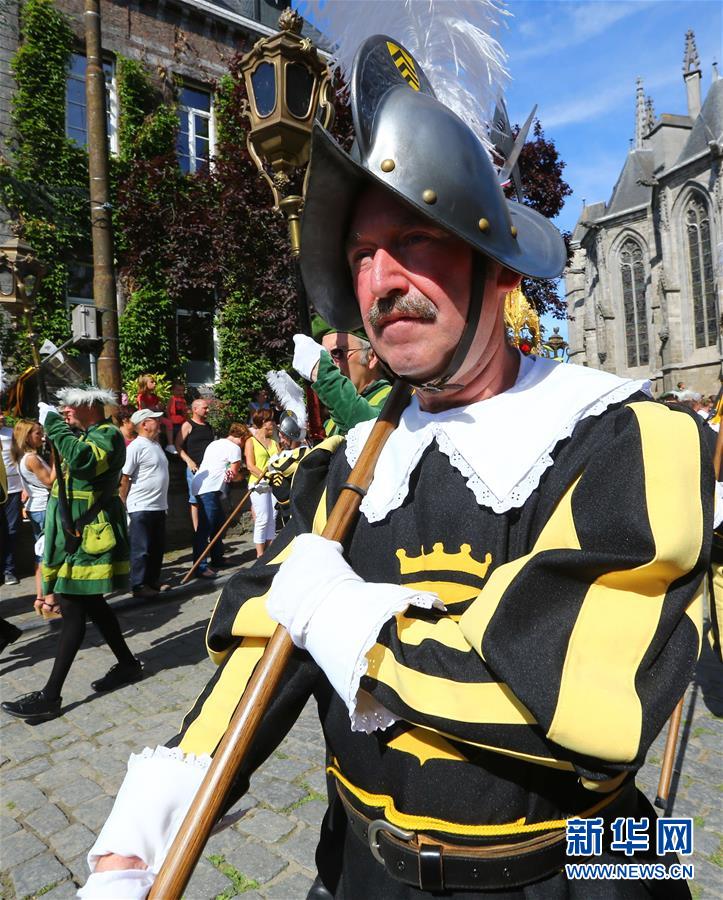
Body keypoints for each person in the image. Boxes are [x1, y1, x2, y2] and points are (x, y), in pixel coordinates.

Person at [82, 32, 711, 900]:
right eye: (358, 259)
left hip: (575, 869)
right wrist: (148, 826)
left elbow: (576, 705)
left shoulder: (629, 439)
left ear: (490, 262)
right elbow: (263, 656)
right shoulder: (340, 467)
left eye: (413, 239)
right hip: (361, 871)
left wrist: (342, 616)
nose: (379, 282)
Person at [1, 387, 142, 724]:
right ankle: (127, 664)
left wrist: (53, 423)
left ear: (90, 405)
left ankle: (50, 697)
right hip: (76, 536)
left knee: (72, 612)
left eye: (69, 406)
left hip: (89, 537)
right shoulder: (89, 433)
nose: (64, 410)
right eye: (60, 408)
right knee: (95, 606)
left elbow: (82, 460)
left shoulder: (107, 435)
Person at [293, 317, 392, 436]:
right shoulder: (330, 422)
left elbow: (371, 430)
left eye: (337, 353)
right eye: (325, 356)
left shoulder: (396, 398)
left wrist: (321, 370)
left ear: (371, 356)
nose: (329, 362)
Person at [120, 409, 170, 599]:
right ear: (144, 424)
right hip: (140, 505)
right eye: (154, 420)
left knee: (157, 547)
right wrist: (122, 501)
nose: (159, 422)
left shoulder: (155, 445)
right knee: (141, 549)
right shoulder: (136, 446)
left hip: (158, 505)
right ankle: (139, 585)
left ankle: (152, 580)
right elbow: (126, 476)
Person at [12, 419, 58, 618]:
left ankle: (41, 597)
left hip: (36, 507)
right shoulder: (31, 459)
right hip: (43, 508)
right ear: (27, 436)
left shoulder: (25, 457)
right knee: (48, 554)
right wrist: (57, 457)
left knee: (41, 553)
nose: (42, 437)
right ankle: (49, 600)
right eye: (38, 433)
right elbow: (49, 481)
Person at [190, 423, 249, 578]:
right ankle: (200, 567)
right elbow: (234, 475)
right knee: (206, 527)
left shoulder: (215, 443)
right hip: (209, 488)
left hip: (201, 485)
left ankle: (217, 558)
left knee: (218, 523)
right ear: (241, 438)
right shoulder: (234, 448)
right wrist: (244, 474)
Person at [175, 398, 214, 533]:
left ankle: (208, 529)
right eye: (205, 408)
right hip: (194, 468)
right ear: (195, 409)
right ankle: (198, 531)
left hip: (208, 469)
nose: (207, 410)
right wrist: (189, 461)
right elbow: (178, 445)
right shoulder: (188, 425)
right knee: (195, 501)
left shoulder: (208, 426)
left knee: (208, 498)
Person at [245, 409, 279, 557]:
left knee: (273, 517)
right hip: (258, 485)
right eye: (271, 420)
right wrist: (266, 477)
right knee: (263, 518)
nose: (273, 423)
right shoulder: (250, 441)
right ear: (263, 422)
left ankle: (270, 551)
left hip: (273, 484)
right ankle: (260, 554)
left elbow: (279, 462)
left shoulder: (274, 442)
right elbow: (250, 466)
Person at [0, 412, 22, 585]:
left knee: (12, 530)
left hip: (14, 489)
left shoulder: (12, 433)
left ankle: (9, 569)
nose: (1, 416)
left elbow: (21, 457)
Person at [166, 381, 189, 447]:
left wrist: (187, 419)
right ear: (173, 391)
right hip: (174, 423)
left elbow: (184, 411)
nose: (181, 392)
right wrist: (169, 419)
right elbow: (167, 410)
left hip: (182, 423)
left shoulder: (183, 400)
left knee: (182, 439)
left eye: (182, 390)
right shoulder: (172, 399)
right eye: (178, 390)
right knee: (175, 438)